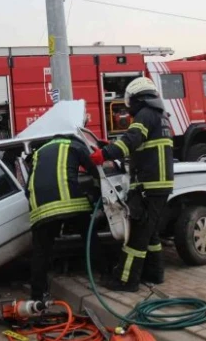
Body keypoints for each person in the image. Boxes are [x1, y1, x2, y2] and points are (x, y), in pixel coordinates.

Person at [90, 77, 174, 292]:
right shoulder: (160, 116)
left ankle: (126, 280)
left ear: (137, 98)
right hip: (158, 185)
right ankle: (154, 273)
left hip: (148, 186)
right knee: (150, 232)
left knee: (137, 235)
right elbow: (142, 146)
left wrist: (105, 154)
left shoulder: (145, 115)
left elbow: (132, 140)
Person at [26, 134, 100, 302]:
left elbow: (27, 187)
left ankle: (38, 295)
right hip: (71, 202)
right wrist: (96, 192)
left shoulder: (39, 152)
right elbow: (96, 170)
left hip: (40, 209)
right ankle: (103, 272)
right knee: (89, 236)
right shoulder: (74, 145)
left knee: (40, 252)